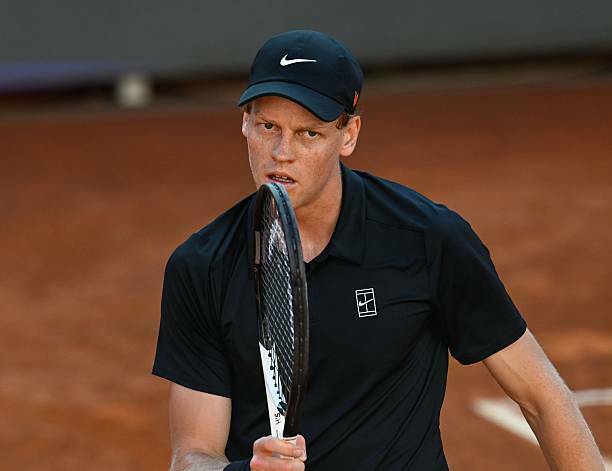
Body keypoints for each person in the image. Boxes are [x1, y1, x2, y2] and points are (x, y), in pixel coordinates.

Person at [152, 30, 604, 471]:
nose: (281, 153)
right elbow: (192, 455)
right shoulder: (201, 267)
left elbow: (542, 397)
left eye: (309, 134)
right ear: (245, 122)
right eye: (268, 126)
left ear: (349, 135)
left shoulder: (427, 240)